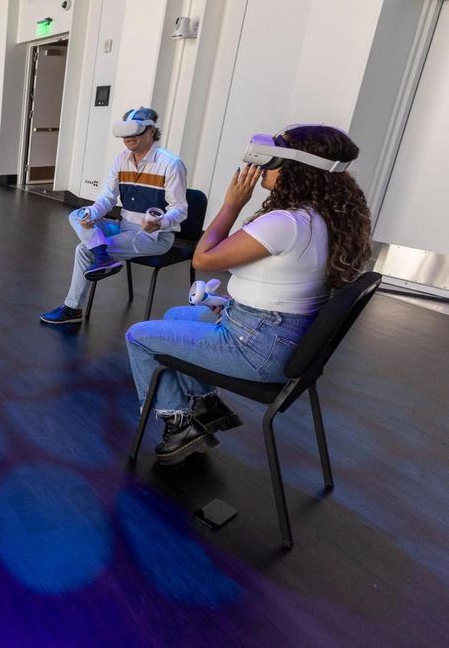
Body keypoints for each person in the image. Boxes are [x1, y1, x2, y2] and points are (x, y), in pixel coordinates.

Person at [124, 125, 372, 464]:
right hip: (281, 335)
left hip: (257, 347)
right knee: (175, 317)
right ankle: (207, 406)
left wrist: (232, 205)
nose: (263, 168)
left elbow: (203, 259)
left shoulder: (286, 222)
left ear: (295, 168)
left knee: (139, 336)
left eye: (274, 161)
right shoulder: (323, 216)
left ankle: (178, 425)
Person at [41, 107, 189, 324]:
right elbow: (108, 198)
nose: (129, 138)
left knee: (84, 249)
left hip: (154, 236)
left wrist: (161, 223)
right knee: (77, 214)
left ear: (151, 131)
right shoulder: (121, 160)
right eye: (126, 134)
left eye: (135, 132)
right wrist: (91, 213)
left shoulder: (170, 164)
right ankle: (103, 255)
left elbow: (180, 208)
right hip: (123, 226)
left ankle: (73, 308)